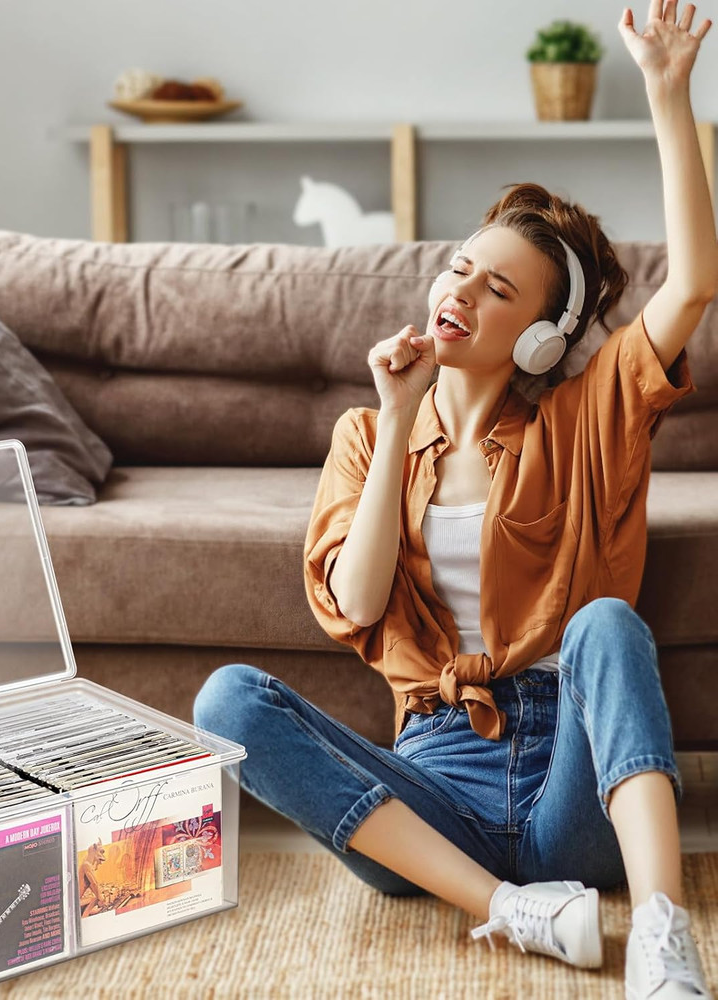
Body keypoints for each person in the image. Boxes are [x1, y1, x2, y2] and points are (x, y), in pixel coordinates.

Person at [193, 3, 717, 997]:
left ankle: (658, 930)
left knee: (607, 624)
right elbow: (353, 601)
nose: (461, 292)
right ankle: (508, 909)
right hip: (431, 794)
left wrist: (664, 89)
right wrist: (395, 421)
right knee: (225, 701)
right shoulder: (365, 432)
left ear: (543, 340)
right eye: (457, 269)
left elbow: (692, 283)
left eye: (497, 291)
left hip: (574, 786)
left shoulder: (584, 414)